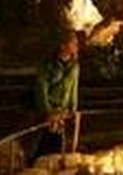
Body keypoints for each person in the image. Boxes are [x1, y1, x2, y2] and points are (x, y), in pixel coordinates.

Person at [32, 31, 80, 162]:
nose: (76, 45)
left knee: (57, 145)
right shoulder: (48, 65)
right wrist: (47, 111)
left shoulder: (75, 66)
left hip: (62, 111)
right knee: (44, 142)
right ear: (62, 46)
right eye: (73, 42)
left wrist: (73, 109)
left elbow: (73, 89)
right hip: (49, 111)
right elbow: (41, 89)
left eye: (76, 43)